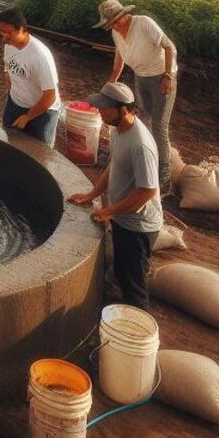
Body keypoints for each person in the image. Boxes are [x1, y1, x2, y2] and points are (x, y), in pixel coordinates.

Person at [67, 82, 162, 309]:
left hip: (138, 227)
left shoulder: (141, 145)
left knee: (134, 288)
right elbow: (114, 166)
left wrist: (109, 211)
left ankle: (138, 325)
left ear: (124, 109)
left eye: (105, 108)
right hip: (122, 219)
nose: (100, 112)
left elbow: (146, 191)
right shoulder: (117, 130)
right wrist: (91, 195)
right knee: (122, 273)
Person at [95, 0, 178, 195]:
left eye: (116, 20)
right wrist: (110, 84)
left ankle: (164, 179)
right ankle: (144, 164)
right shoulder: (116, 33)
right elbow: (119, 61)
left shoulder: (144, 23)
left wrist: (168, 76)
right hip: (141, 77)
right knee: (143, 121)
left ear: (124, 14)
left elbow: (169, 47)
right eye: (111, 24)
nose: (115, 26)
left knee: (159, 125)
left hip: (161, 77)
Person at [0, 9, 62, 146]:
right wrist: (10, 93)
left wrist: (28, 117)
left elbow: (50, 95)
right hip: (15, 104)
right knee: (9, 145)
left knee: (39, 153)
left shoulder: (39, 56)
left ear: (21, 29)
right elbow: (8, 69)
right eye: (2, 31)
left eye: (8, 32)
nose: (4, 36)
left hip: (42, 112)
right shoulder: (10, 45)